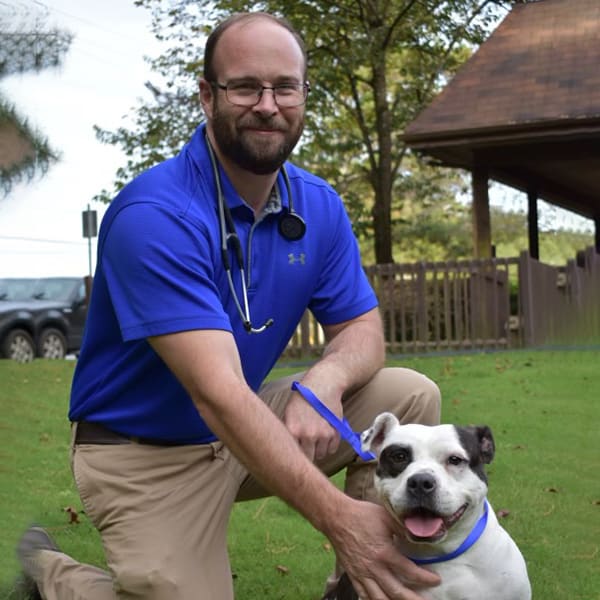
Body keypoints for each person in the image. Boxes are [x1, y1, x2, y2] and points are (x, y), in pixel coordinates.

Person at [17, 12, 441, 600]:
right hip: (145, 454)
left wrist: (323, 381)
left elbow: (362, 329)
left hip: (244, 425)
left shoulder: (317, 205)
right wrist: (340, 520)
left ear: (303, 94)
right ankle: (49, 572)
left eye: (284, 86)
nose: (268, 105)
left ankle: (356, 589)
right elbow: (215, 392)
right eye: (245, 86)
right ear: (207, 95)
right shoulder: (155, 216)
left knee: (408, 393)